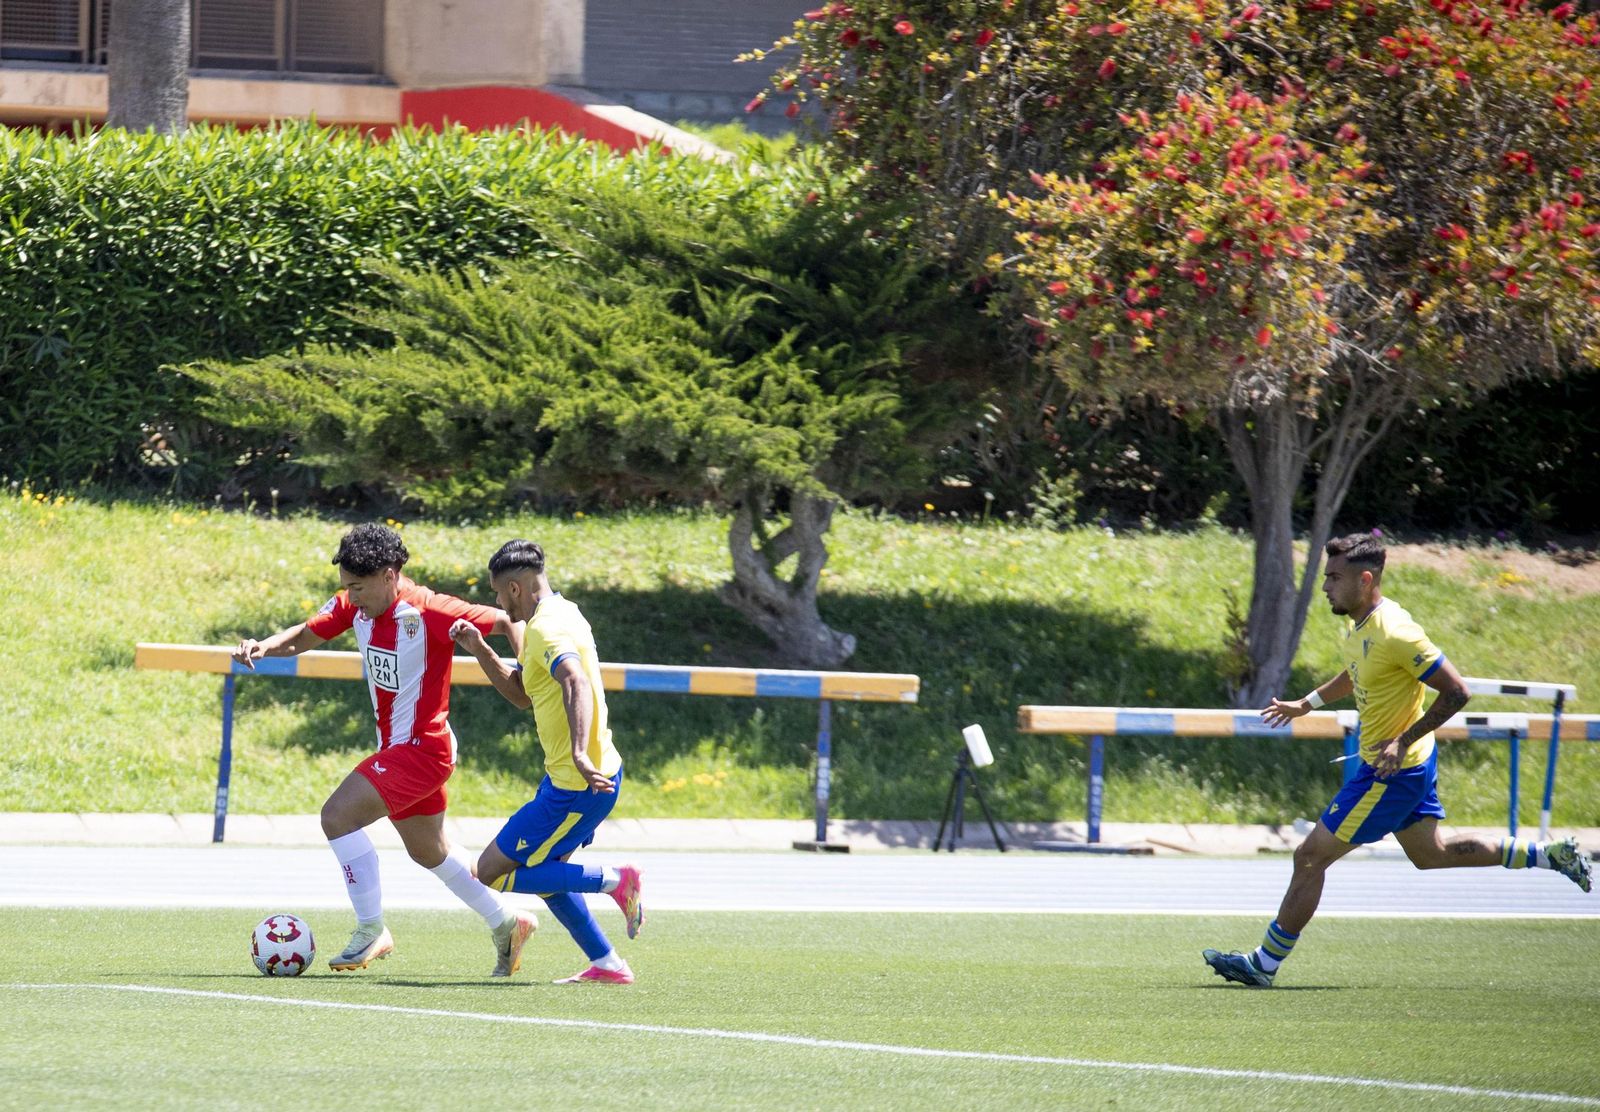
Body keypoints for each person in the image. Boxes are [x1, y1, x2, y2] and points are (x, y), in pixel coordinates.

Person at [1204, 532, 1591, 987]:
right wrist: (1307, 703)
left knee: (1310, 857)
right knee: (1432, 854)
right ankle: (1548, 856)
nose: (1325, 586)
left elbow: (1457, 691)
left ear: (1365, 580)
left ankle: (1262, 965)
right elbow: (1358, 674)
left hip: (1391, 772)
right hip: (1408, 767)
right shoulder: (1360, 626)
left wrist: (1402, 740)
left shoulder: (1396, 632)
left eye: (1333, 577)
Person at [232, 522, 539, 975]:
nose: (351, 598)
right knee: (429, 851)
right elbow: (304, 636)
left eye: (358, 587)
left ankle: (371, 927)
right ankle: (507, 922)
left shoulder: (429, 609)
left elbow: (508, 618)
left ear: (390, 575)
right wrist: (265, 645)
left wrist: (525, 667)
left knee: (337, 816)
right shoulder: (352, 607)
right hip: (400, 749)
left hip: (422, 749)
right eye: (346, 588)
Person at [450, 538, 643, 985]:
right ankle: (608, 964)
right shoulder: (565, 613)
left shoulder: (545, 630)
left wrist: (578, 751)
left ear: (515, 588)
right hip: (579, 779)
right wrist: (480, 647)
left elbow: (572, 678)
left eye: (499, 593)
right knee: (545, 872)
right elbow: (524, 695)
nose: (498, 602)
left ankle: (618, 880)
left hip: (576, 786)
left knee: (493, 873)